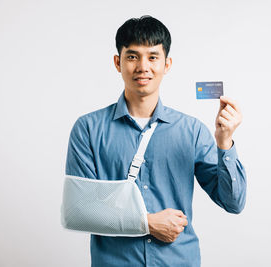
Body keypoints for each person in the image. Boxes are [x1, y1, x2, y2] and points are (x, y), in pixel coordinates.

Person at [65, 15, 247, 267]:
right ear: (118, 62)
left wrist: (225, 142)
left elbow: (233, 203)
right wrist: (147, 223)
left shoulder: (191, 131)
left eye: (152, 57)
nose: (143, 66)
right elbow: (79, 211)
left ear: (167, 63)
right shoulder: (88, 129)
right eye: (132, 56)